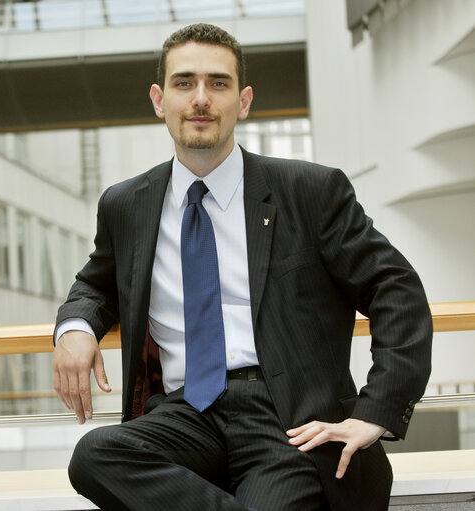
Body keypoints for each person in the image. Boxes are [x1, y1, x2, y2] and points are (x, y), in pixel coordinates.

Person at [52, 23, 432, 511]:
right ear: (158, 98)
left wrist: (373, 412)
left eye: (219, 83)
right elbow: (96, 283)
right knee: (95, 456)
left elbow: (395, 288)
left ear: (244, 100)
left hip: (286, 421)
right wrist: (76, 327)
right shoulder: (128, 204)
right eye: (184, 83)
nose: (201, 99)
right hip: (185, 413)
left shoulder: (310, 192)